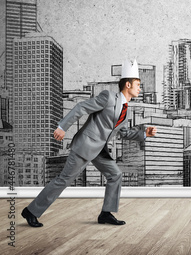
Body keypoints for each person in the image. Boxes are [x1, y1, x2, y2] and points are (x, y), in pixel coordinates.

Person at [22, 59, 157, 227]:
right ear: (127, 85)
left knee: (115, 175)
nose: (140, 88)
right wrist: (62, 127)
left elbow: (123, 133)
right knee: (64, 179)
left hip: (100, 150)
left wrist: (144, 133)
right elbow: (81, 107)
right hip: (85, 146)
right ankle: (31, 211)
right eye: (138, 84)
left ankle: (106, 214)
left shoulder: (126, 111)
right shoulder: (108, 97)